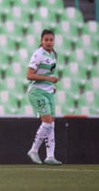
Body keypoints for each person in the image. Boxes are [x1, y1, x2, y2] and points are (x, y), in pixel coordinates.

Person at [26, 29, 62, 165]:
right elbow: (29, 75)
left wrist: (50, 85)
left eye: (51, 40)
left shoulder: (53, 54)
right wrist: (48, 79)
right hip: (37, 91)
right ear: (41, 41)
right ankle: (34, 150)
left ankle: (50, 156)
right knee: (47, 121)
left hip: (48, 91)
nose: (48, 42)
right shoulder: (38, 54)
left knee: (51, 123)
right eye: (46, 40)